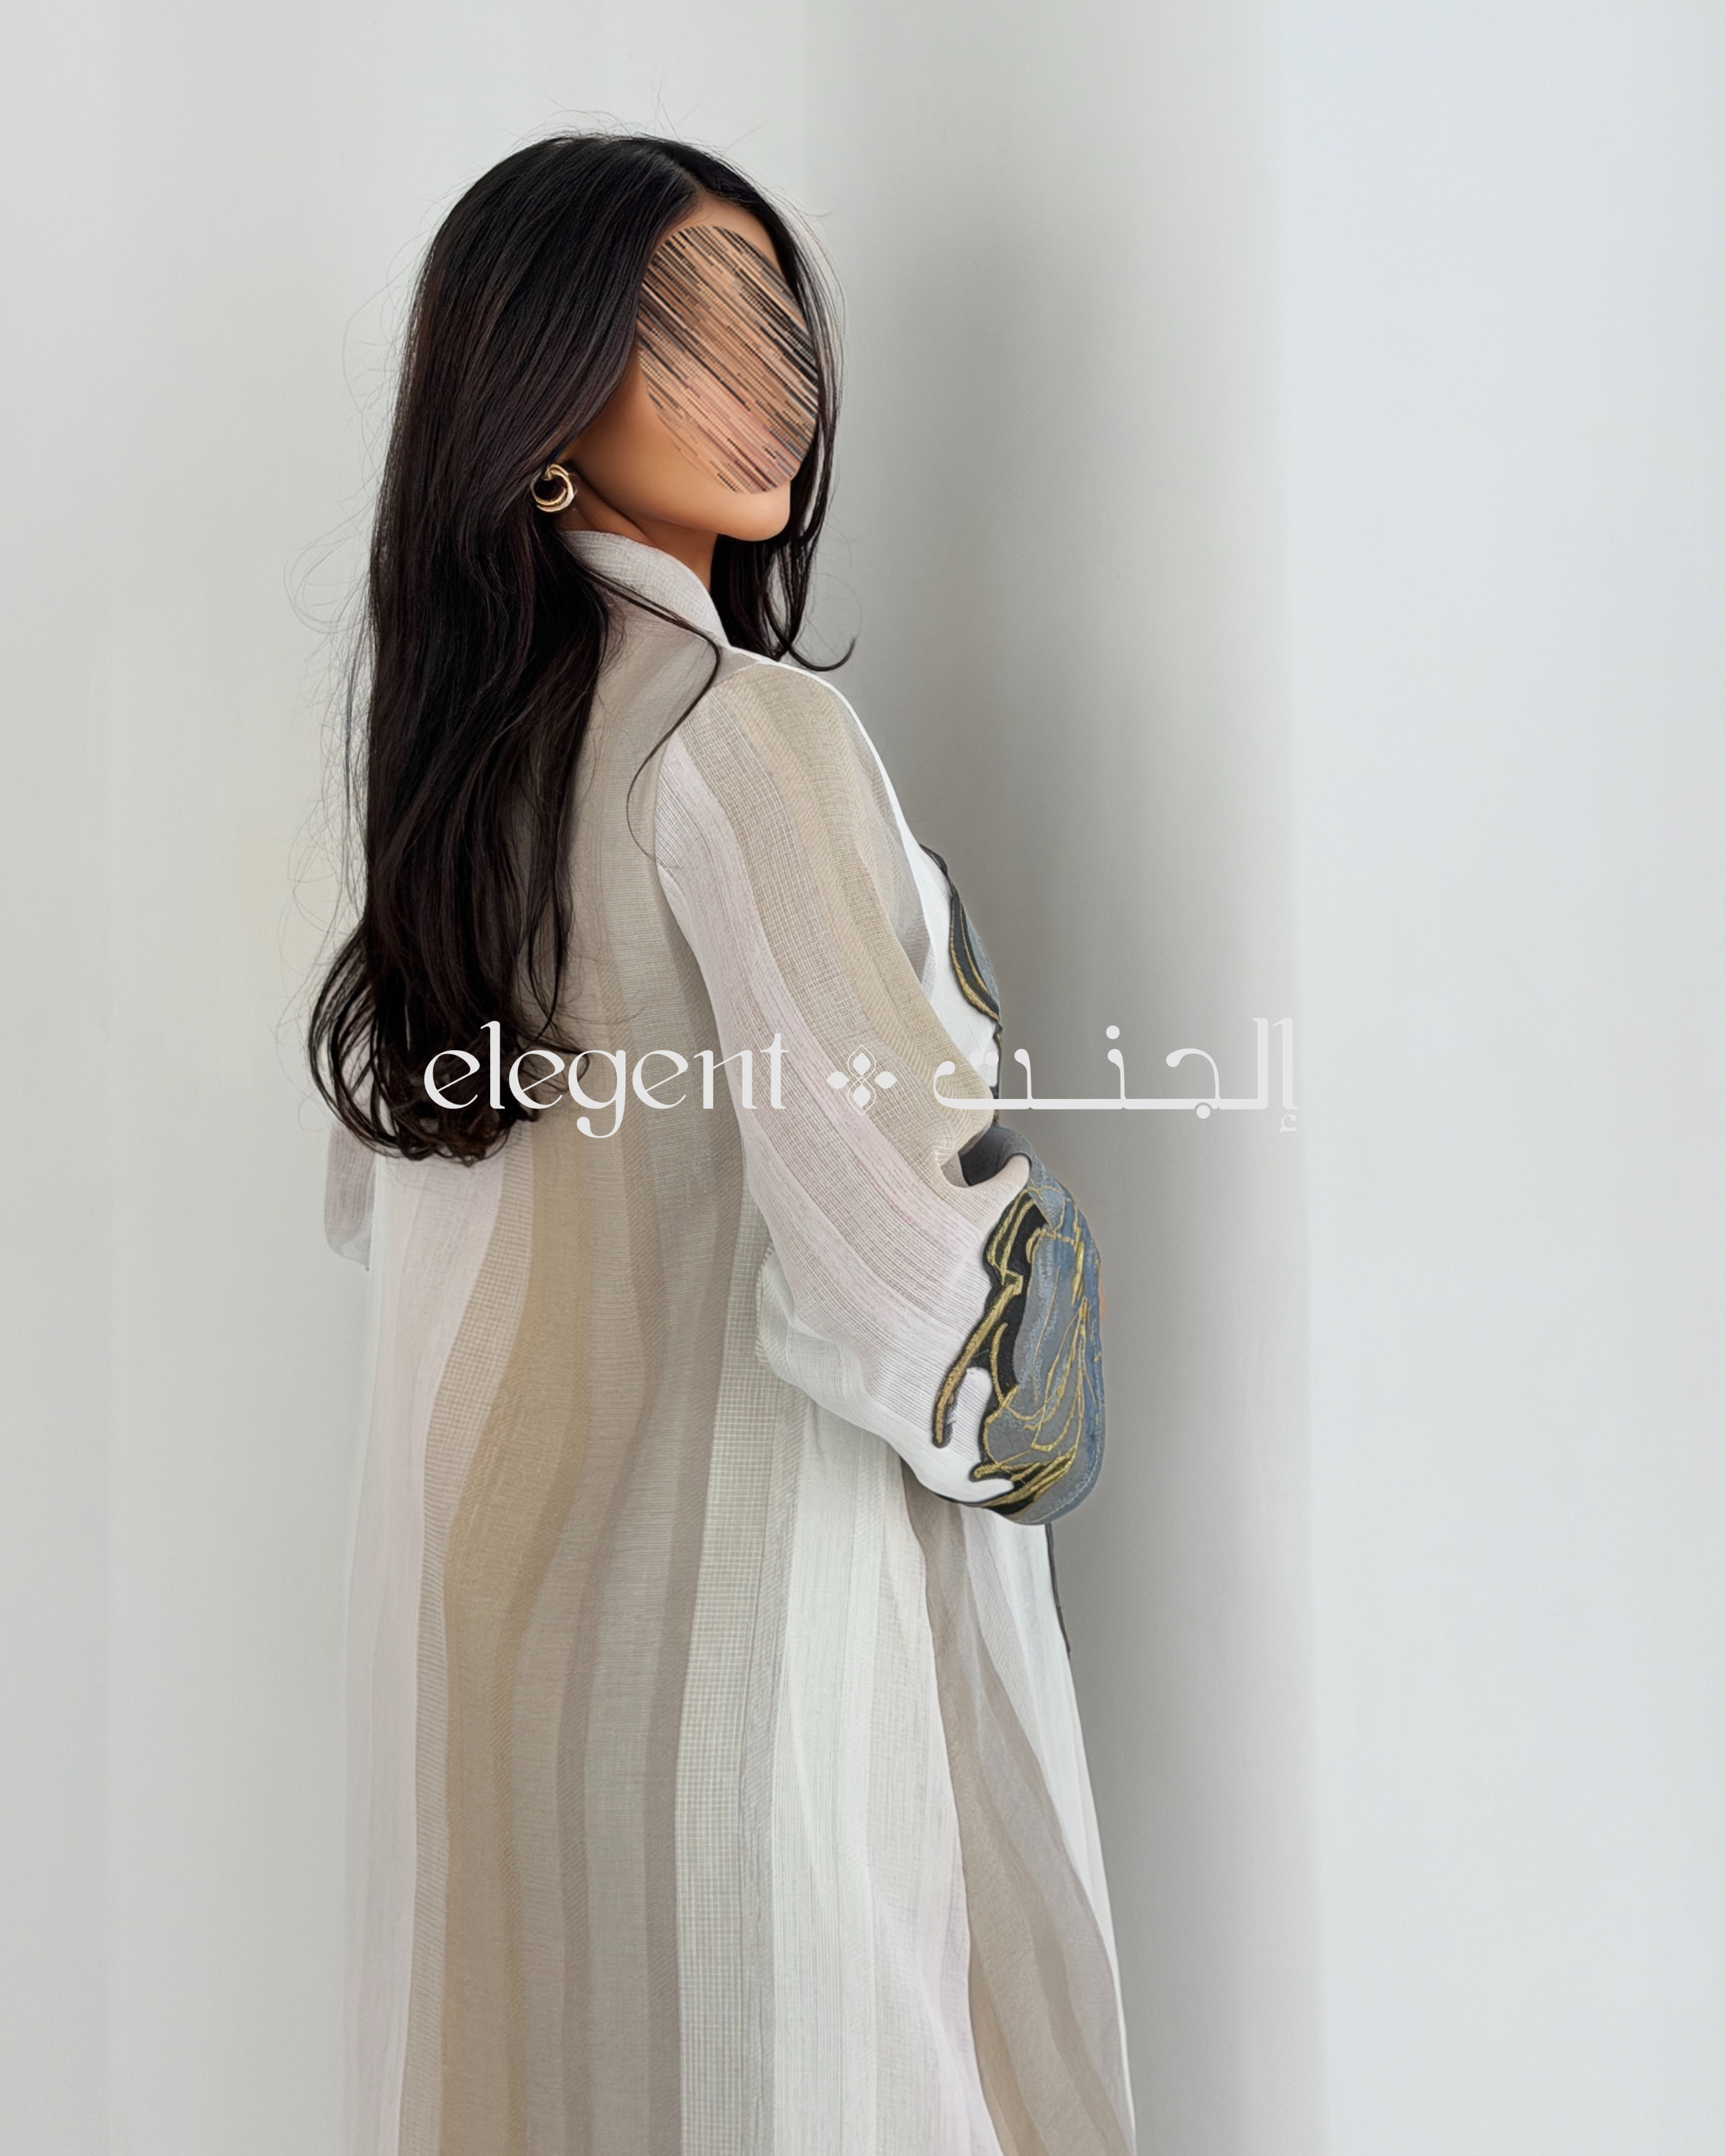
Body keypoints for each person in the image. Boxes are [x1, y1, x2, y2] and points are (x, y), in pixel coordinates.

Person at [311, 131, 1132, 2156]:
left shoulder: (461, 787)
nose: (771, 381)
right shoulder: (740, 733)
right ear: (537, 390)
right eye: (683, 326)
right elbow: (909, 1263)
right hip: (746, 1691)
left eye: (779, 322)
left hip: (498, 1670)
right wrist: (1042, 1362)